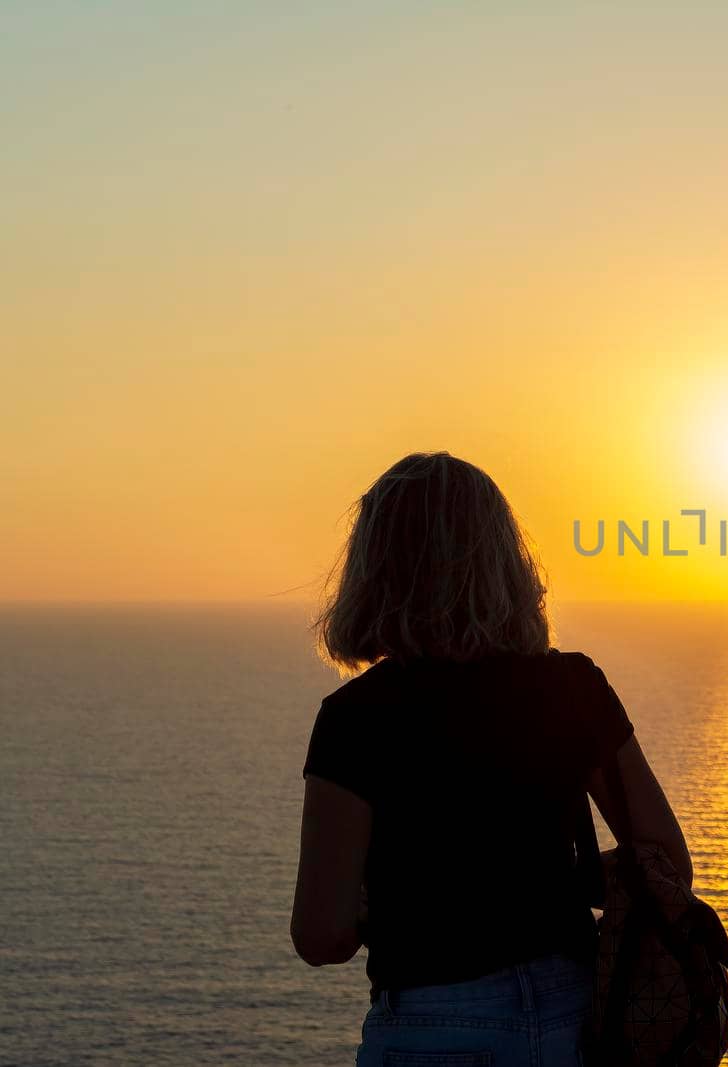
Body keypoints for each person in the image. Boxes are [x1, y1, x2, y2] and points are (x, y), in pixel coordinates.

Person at [291, 451, 691, 1067]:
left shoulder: (354, 718)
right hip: (575, 1017)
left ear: (374, 570)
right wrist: (558, 882)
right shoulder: (573, 688)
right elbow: (665, 858)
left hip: (431, 1024)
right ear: (504, 561)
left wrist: (386, 904)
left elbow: (321, 936)